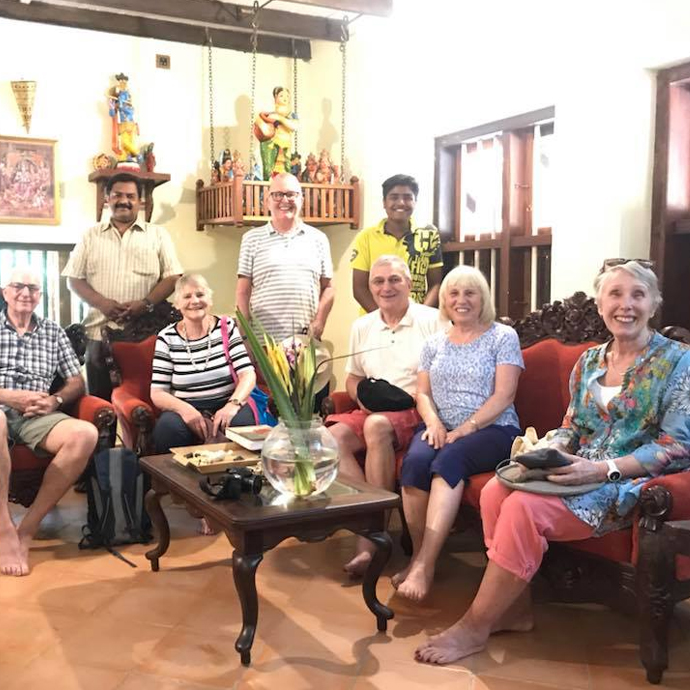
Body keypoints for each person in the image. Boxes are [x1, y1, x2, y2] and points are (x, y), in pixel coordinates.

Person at [414, 260, 690, 665]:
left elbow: (677, 446)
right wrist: (548, 451)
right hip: (574, 469)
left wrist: (603, 469)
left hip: (625, 482)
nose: (626, 305)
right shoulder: (590, 361)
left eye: (638, 295)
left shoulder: (678, 361)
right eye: (615, 294)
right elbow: (572, 426)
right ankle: (517, 609)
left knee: (524, 508)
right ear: (600, 304)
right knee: (495, 492)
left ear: (654, 303)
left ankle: (473, 628)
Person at [394, 266, 523, 602]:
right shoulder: (434, 343)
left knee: (449, 459)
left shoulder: (503, 337)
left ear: (483, 298)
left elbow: (504, 395)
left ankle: (425, 566)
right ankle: (417, 555)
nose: (461, 300)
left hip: (494, 429)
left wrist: (467, 428)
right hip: (442, 427)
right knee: (415, 462)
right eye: (453, 293)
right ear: (445, 300)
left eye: (470, 293)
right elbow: (422, 393)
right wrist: (434, 424)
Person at [326, 255, 445, 576]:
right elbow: (352, 377)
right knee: (331, 437)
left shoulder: (432, 320)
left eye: (394, 280)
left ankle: (370, 542)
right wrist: (361, 398)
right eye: (378, 281)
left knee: (376, 426)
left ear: (409, 283)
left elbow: (445, 374)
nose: (386, 287)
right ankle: (371, 522)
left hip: (415, 407)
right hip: (373, 407)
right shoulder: (362, 326)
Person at [0, 267, 99, 576]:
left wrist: (54, 401)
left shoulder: (52, 331)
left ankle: (27, 529)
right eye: (18, 286)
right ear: (5, 292)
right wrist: (8, 396)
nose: (25, 293)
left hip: (38, 414)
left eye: (32, 288)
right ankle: (4, 529)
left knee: (85, 434)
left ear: (40, 296)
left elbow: (76, 382)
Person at [63, 172, 183, 401]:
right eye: (117, 195)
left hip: (147, 337)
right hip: (98, 334)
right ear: (107, 198)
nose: (124, 201)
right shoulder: (90, 236)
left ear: (140, 201)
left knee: (146, 404)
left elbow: (173, 276)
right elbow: (74, 279)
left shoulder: (158, 235)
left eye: (130, 196)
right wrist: (103, 304)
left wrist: (145, 304)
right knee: (101, 407)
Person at [150, 274, 257, 452]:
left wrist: (232, 405)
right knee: (168, 429)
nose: (195, 301)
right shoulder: (166, 337)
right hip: (185, 406)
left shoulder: (227, 327)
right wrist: (185, 410)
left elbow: (247, 374)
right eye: (187, 296)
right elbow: (158, 393)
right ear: (177, 304)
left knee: (243, 424)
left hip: (228, 400)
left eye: (200, 295)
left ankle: (237, 470)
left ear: (210, 299)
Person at [236, 173, 334, 343]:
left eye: (291, 194)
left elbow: (329, 288)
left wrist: (320, 321)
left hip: (305, 342)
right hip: (263, 343)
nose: (285, 200)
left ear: (301, 200)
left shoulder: (319, 239)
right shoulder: (251, 239)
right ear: (267, 201)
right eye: (277, 195)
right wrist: (244, 337)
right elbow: (242, 292)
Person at [351, 174, 443, 313]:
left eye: (407, 197)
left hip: (417, 320)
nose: (401, 203)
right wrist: (385, 319)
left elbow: (435, 284)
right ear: (384, 202)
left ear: (415, 201)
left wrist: (419, 317)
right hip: (375, 320)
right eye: (394, 197)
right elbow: (359, 288)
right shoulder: (366, 237)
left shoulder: (429, 234)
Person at [254, 86, 298, 180]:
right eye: (281, 95)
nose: (285, 98)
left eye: (287, 96)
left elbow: (294, 126)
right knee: (269, 170)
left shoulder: (291, 115)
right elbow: (258, 120)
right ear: (275, 98)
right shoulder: (270, 114)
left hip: (285, 145)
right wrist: (264, 126)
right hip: (272, 145)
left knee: (286, 170)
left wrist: (280, 118)